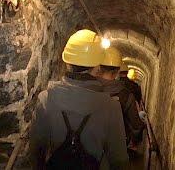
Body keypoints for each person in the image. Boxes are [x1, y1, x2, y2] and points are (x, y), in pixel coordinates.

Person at [29, 29, 129, 170]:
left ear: (67, 63)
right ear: (97, 67)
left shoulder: (45, 99)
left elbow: (36, 151)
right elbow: (119, 160)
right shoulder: (111, 107)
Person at [97, 48, 145, 150]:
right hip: (116, 145)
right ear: (116, 71)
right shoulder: (126, 94)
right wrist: (133, 141)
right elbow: (136, 125)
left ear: (98, 67)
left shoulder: (88, 88)